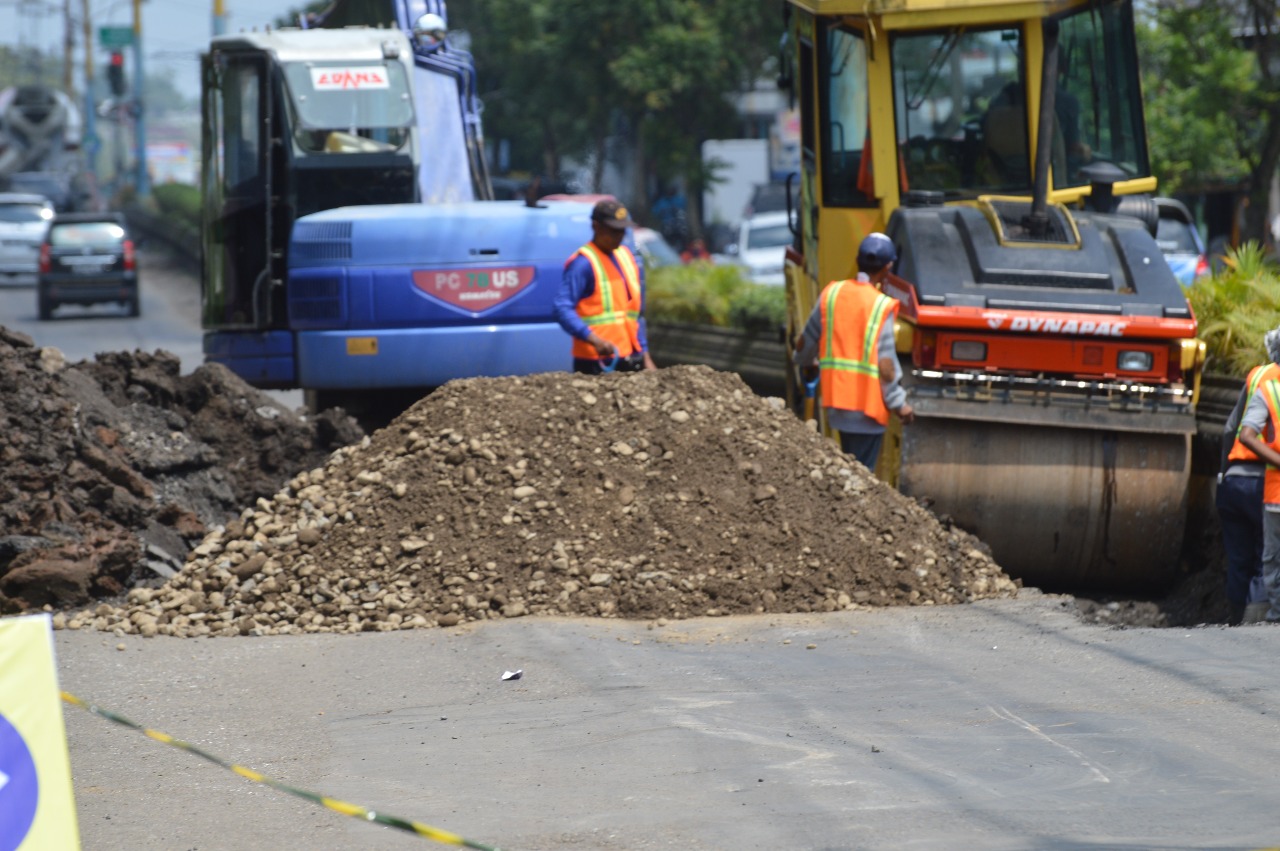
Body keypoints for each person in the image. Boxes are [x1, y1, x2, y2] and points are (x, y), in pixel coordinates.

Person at [792, 232, 914, 470]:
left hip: (838, 405)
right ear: (888, 267)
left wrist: (807, 361)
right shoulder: (880, 305)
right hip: (868, 410)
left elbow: (805, 342)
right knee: (862, 475)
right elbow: (885, 363)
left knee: (847, 468)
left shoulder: (832, 294)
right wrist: (899, 404)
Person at [554, 198, 657, 375]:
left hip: (630, 357)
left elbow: (634, 315)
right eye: (613, 231)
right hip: (596, 363)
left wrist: (645, 355)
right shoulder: (583, 264)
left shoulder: (626, 257)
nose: (619, 237)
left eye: (622, 231)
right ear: (596, 227)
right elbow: (562, 308)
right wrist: (594, 340)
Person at [1217, 352, 1280, 623]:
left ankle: (1234, 622)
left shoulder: (1258, 377)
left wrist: (1222, 473)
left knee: (1240, 559)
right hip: (1264, 483)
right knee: (1263, 557)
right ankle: (1254, 623)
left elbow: (1232, 428)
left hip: (1234, 480)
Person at [1234, 326, 1280, 624]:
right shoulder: (1268, 387)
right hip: (1273, 492)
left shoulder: (1267, 386)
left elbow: (1243, 434)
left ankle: (1275, 616)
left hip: (1274, 492)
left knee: (1271, 559)